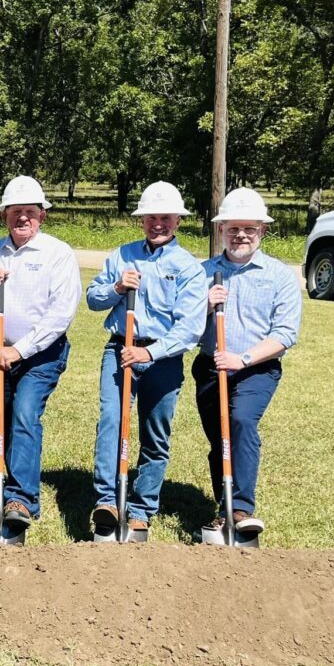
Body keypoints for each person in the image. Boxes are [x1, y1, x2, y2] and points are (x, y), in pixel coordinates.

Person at [86, 181, 206, 535]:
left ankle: (141, 507)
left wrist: (149, 351)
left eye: (165, 217)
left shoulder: (188, 268)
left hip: (163, 357)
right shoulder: (121, 256)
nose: (158, 223)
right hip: (120, 348)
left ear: (178, 221)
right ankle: (107, 500)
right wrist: (117, 288)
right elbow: (93, 299)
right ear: (142, 219)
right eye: (152, 216)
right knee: (111, 419)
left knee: (156, 432)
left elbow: (190, 329)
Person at [194, 188, 301, 536]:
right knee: (219, 439)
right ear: (221, 229)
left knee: (239, 422)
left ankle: (241, 508)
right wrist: (205, 306)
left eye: (249, 229)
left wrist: (242, 359)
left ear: (263, 231)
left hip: (257, 368)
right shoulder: (203, 273)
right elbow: (182, 326)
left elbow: (285, 334)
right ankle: (223, 507)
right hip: (211, 367)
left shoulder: (279, 276)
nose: (241, 235)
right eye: (233, 228)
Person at [0, 176, 81, 529]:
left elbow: (61, 314)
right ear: (4, 215)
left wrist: (19, 350)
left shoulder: (57, 253)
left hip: (41, 355)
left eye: (30, 212)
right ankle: (11, 489)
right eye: (15, 211)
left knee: (23, 416)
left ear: (42, 215)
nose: (23, 218)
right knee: (5, 423)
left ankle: (21, 500)